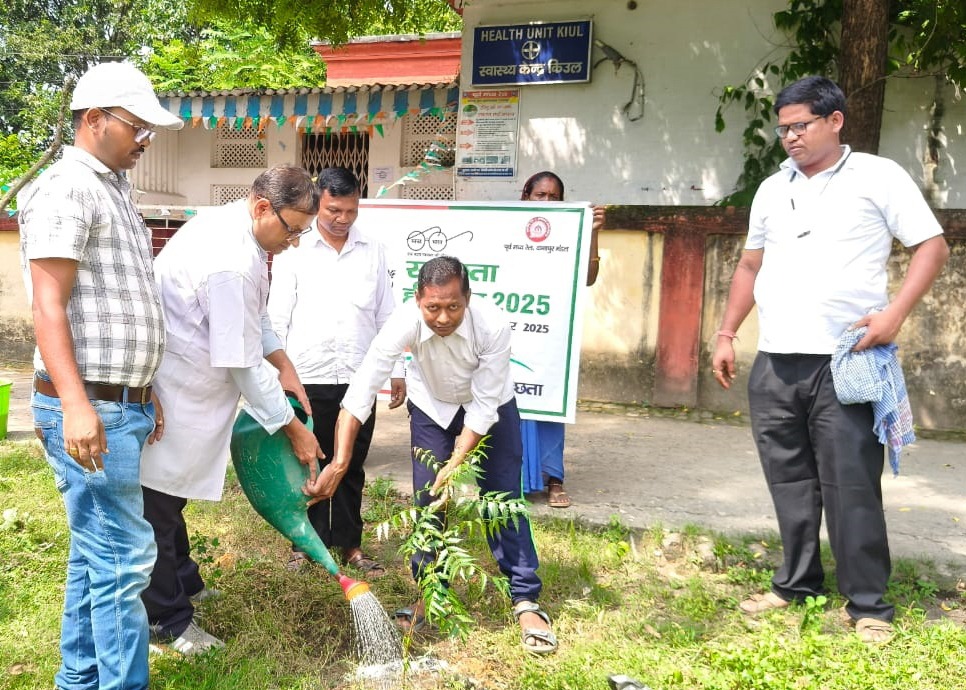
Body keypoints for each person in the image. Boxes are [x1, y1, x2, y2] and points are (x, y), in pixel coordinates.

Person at [711, 76, 949, 644]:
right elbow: (749, 266)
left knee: (851, 486)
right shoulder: (773, 188)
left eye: (801, 125)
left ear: (835, 120)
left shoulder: (877, 175)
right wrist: (725, 332)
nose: (790, 137)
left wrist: (894, 316)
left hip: (845, 359)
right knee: (789, 481)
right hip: (776, 361)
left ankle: (868, 604)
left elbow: (932, 246)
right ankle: (796, 583)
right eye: (783, 129)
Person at [18, 61, 183, 690]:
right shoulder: (68, 188)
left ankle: (79, 680)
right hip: (91, 408)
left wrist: (144, 386)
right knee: (124, 560)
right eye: (137, 127)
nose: (146, 141)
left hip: (121, 402)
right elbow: (48, 305)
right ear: (94, 120)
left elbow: (118, 301)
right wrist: (76, 403)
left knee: (98, 558)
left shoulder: (113, 189)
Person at [311, 256, 558, 654]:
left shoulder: (492, 325)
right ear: (418, 300)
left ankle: (525, 598)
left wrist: (456, 462)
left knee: (502, 499)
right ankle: (431, 593)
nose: (443, 317)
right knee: (428, 501)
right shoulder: (403, 322)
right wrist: (339, 463)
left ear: (468, 299)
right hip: (431, 406)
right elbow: (360, 393)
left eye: (453, 307)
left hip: (490, 407)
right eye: (433, 308)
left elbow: (483, 406)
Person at [139, 164, 324, 654]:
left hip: (195, 388)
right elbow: (241, 362)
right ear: (263, 206)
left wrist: (283, 363)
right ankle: (165, 620)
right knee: (158, 506)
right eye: (292, 230)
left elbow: (254, 314)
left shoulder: (241, 230)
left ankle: (185, 582)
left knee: (170, 498)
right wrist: (292, 428)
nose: (294, 243)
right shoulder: (231, 260)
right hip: (177, 389)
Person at [267, 167, 405, 577]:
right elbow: (277, 316)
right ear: (318, 202)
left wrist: (397, 369)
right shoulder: (295, 248)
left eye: (351, 210)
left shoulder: (373, 250)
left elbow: (386, 315)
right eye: (333, 210)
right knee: (307, 460)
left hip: (359, 378)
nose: (342, 218)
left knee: (351, 463)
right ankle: (305, 544)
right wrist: (277, 374)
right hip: (305, 376)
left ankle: (349, 544)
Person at [518, 171, 605, 507]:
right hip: (512, 333)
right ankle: (513, 480)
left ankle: (554, 479)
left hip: (551, 334)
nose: (546, 202)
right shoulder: (505, 226)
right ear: (525, 196)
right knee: (511, 408)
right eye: (539, 195)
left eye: (553, 197)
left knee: (550, 402)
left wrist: (593, 233)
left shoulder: (570, 231)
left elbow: (588, 277)